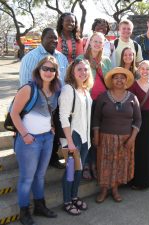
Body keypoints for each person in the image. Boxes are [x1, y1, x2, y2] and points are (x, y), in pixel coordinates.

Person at [11, 56, 61, 225]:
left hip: (47, 138)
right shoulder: (28, 88)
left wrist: (52, 126)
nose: (48, 72)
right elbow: (14, 113)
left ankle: (40, 206)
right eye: (45, 68)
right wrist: (25, 135)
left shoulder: (55, 90)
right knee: (27, 178)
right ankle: (24, 211)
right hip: (29, 141)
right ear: (38, 70)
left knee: (40, 176)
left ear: (56, 73)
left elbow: (50, 111)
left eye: (52, 69)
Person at [19, 28, 68, 169]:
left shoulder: (62, 58)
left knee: (54, 133)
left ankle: (52, 157)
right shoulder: (31, 57)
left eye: (55, 38)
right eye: (49, 37)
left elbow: (64, 81)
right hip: (37, 105)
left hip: (57, 104)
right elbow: (24, 83)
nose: (53, 40)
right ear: (42, 39)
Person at [92, 67, 141, 203]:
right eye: (116, 77)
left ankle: (114, 189)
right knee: (104, 164)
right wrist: (96, 134)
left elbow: (138, 119)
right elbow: (96, 118)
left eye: (122, 77)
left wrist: (132, 138)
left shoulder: (132, 97)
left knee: (120, 165)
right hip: (105, 137)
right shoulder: (103, 97)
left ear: (126, 80)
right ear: (111, 80)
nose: (119, 80)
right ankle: (103, 190)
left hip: (125, 139)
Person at [59, 59, 93, 215]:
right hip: (72, 137)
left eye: (85, 69)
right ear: (72, 71)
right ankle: (67, 201)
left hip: (85, 138)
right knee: (71, 171)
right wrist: (70, 142)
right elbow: (63, 117)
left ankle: (74, 197)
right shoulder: (68, 89)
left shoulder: (85, 90)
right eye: (79, 69)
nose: (83, 72)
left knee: (78, 171)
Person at [78, 31, 112, 180]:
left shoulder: (107, 61)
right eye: (95, 41)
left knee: (98, 135)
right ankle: (86, 164)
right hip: (86, 102)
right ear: (90, 42)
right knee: (86, 134)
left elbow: (110, 82)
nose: (98, 44)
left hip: (102, 103)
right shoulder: (81, 59)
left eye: (101, 42)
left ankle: (95, 164)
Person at [128, 60, 149, 189]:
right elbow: (131, 107)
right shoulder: (133, 86)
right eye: (142, 69)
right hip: (137, 120)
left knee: (147, 150)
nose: (145, 71)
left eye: (147, 69)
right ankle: (135, 180)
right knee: (137, 151)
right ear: (138, 70)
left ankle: (145, 181)